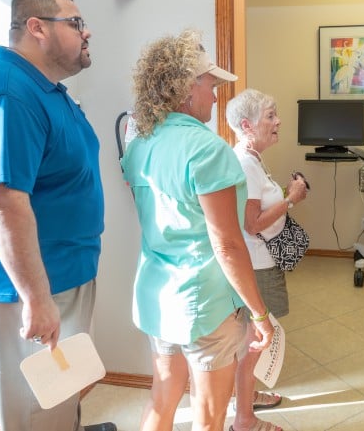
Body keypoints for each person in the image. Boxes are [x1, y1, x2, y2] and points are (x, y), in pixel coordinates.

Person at [0, 0, 115, 431]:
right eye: (76, 23)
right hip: (28, 286)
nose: (87, 32)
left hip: (63, 271)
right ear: (36, 27)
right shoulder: (6, 96)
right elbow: (2, 204)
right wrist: (35, 299)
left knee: (61, 396)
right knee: (39, 407)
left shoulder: (44, 89)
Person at [121, 30, 275, 431]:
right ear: (187, 87)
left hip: (159, 297)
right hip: (204, 303)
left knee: (162, 398)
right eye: (210, 84)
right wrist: (260, 314)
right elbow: (227, 245)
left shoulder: (139, 145)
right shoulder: (207, 149)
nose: (215, 95)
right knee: (208, 416)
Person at [226, 89, 308, 431]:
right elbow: (252, 223)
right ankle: (244, 419)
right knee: (257, 342)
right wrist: (290, 199)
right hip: (256, 267)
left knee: (252, 340)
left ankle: (247, 397)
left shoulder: (252, 158)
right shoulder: (245, 163)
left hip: (259, 263)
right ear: (247, 125)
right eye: (270, 116)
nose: (278, 122)